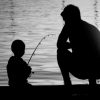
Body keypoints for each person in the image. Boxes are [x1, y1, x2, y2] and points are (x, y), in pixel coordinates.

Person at [57, 4, 100, 87]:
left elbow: (60, 44)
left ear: (71, 17)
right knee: (60, 51)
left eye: (65, 19)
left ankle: (68, 85)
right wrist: (73, 45)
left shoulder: (88, 29)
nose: (64, 21)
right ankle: (69, 84)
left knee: (60, 53)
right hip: (84, 67)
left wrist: (73, 45)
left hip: (93, 68)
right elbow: (59, 44)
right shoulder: (69, 27)